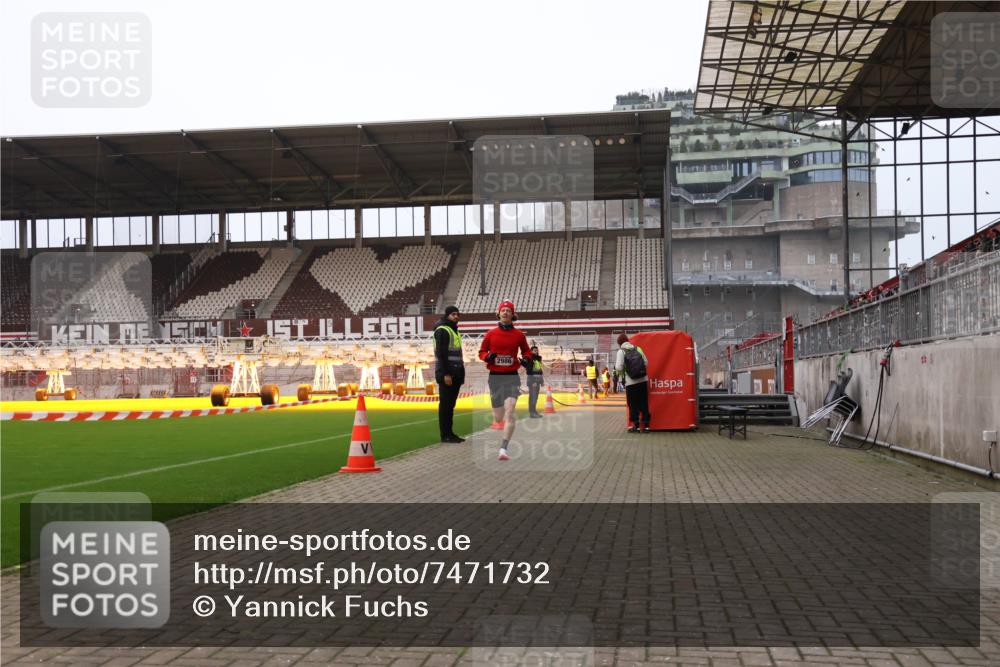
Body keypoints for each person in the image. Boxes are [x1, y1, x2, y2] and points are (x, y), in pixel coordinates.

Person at [479, 300, 532, 461]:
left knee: (510, 410)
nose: (506, 312)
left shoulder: (519, 335)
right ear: (499, 313)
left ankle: (503, 449)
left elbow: (527, 351)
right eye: (503, 310)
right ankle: (498, 419)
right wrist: (488, 357)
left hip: (511, 376)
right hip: (495, 377)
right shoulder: (491, 333)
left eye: (509, 310)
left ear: (512, 315)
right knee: (498, 417)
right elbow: (481, 351)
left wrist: (526, 359)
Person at [433, 305, 465, 443]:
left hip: (455, 372)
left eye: (457, 314)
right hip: (447, 373)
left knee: (450, 405)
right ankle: (445, 435)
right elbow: (441, 354)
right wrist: (446, 374)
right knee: (446, 405)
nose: (456, 316)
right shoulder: (443, 330)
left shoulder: (453, 330)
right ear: (447, 316)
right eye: (453, 314)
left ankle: (449, 433)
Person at [614, 334, 650, 433]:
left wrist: (624, 373)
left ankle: (636, 426)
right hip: (642, 380)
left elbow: (618, 367)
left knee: (633, 404)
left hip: (630, 382)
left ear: (619, 343)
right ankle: (646, 426)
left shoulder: (621, 352)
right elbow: (646, 362)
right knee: (644, 403)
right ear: (628, 341)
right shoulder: (638, 348)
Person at [524, 344, 544, 418]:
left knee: (535, 397)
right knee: (533, 397)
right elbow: (529, 371)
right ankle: (532, 412)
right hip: (533, 382)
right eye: (535, 350)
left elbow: (539, 371)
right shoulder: (530, 358)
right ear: (531, 351)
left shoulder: (538, 359)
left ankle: (534, 411)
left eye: (537, 350)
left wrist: (541, 381)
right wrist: (533, 381)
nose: (536, 351)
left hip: (537, 382)